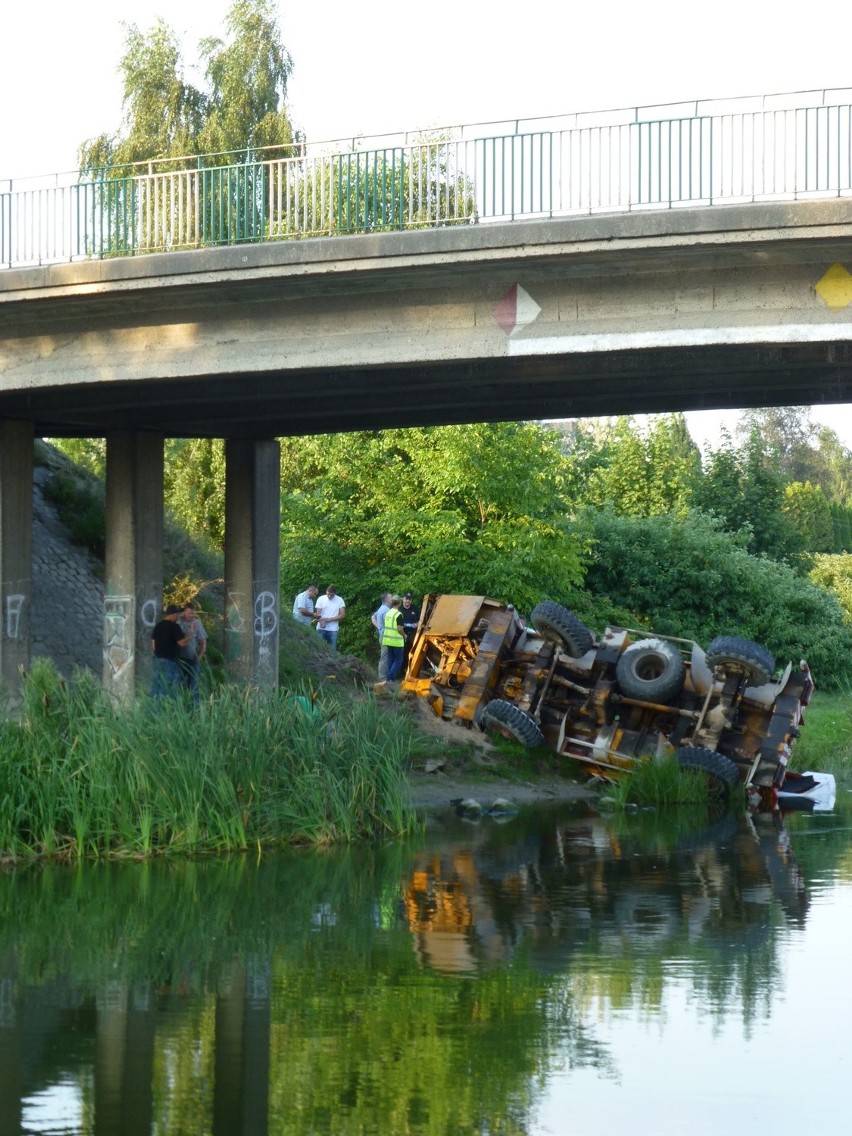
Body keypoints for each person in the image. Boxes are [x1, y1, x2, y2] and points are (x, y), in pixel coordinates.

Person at [151, 603, 188, 700]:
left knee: (156, 684)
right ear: (174, 614)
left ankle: (153, 707)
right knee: (168, 685)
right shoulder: (175, 627)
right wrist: (190, 634)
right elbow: (182, 643)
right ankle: (164, 708)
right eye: (177, 615)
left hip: (158, 659)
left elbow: (153, 645)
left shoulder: (158, 626)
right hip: (170, 661)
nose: (178, 617)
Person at [178, 602, 207, 704]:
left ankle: (195, 710)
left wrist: (199, 656)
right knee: (178, 685)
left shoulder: (197, 624)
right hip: (178, 659)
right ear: (184, 612)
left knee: (194, 686)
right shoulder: (178, 621)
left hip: (193, 659)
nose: (192, 615)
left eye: (193, 613)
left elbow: (202, 642)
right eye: (190, 613)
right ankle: (178, 708)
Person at [381, 595, 405, 681]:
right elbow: (399, 628)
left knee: (390, 659)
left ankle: (390, 678)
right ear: (399, 603)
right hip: (397, 641)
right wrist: (404, 635)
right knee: (398, 660)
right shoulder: (398, 614)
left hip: (388, 640)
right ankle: (390, 678)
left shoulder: (388, 613)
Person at [371, 592, 392, 680]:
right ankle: (382, 678)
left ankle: (385, 677)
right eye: (391, 597)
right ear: (386, 599)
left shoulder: (381, 609)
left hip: (383, 636)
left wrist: (379, 627)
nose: (392, 599)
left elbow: (373, 617)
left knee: (386, 657)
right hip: (386, 637)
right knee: (384, 657)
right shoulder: (386, 610)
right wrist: (381, 628)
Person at [399, 591, 421, 674]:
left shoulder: (415, 609)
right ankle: (401, 671)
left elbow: (421, 620)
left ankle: (411, 671)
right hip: (401, 634)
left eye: (409, 599)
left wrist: (417, 624)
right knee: (402, 653)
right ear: (403, 599)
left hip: (412, 634)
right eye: (406, 599)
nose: (407, 601)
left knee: (412, 652)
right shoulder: (399, 609)